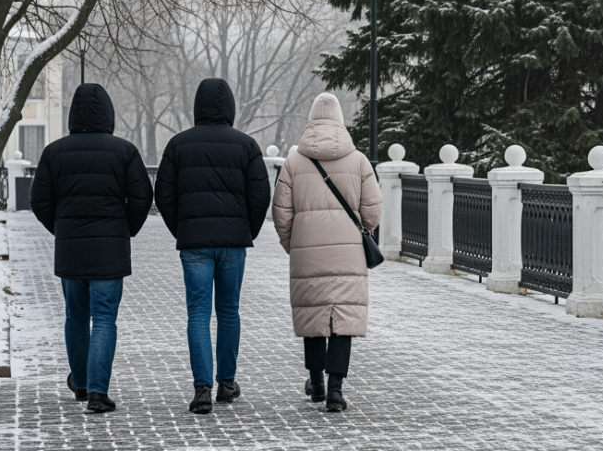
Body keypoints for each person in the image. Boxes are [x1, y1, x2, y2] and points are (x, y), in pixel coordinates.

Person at [30, 83, 153, 414]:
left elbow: (39, 200)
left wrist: (62, 229)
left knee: (75, 316)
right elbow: (143, 196)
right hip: (109, 251)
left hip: (70, 250)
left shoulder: (54, 153)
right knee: (104, 318)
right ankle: (99, 392)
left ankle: (81, 383)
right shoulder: (124, 151)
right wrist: (125, 229)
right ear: (108, 114)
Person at [154, 78, 271, 414]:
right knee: (229, 311)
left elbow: (163, 194)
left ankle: (202, 388)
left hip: (195, 243)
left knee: (198, 312)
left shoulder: (178, 145)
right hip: (233, 242)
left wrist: (182, 229)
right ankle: (227, 383)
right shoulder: (246, 145)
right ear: (230, 108)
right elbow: (260, 195)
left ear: (197, 107)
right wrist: (246, 230)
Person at [272, 92, 381, 412]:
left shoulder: (293, 162)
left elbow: (280, 213)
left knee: (313, 314)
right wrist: (361, 232)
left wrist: (293, 245)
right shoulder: (359, 160)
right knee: (343, 318)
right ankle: (335, 390)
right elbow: (372, 211)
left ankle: (316, 382)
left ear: (311, 120)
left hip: (307, 251)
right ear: (339, 120)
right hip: (349, 252)